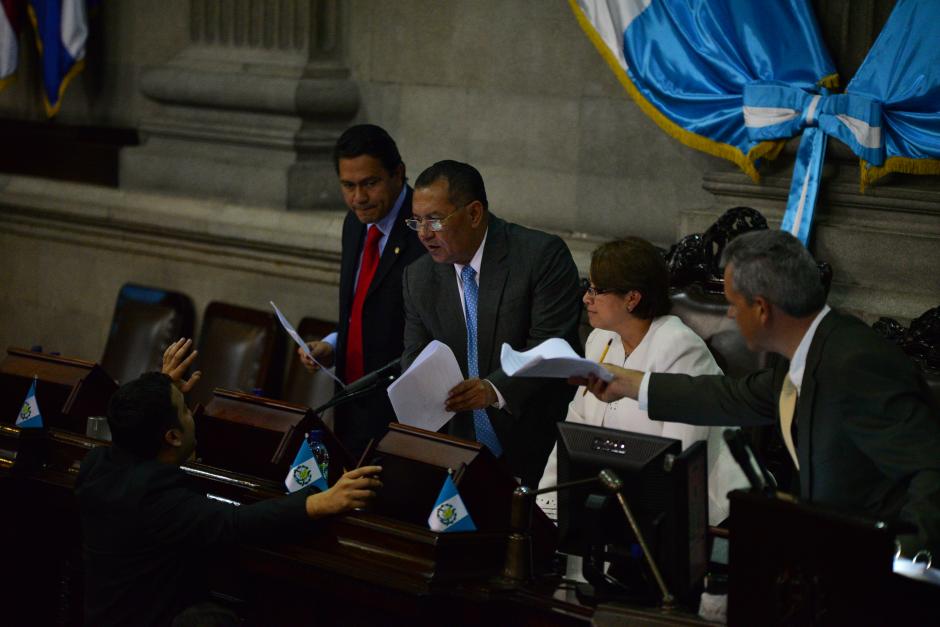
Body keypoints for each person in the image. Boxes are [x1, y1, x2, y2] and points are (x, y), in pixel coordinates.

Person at [579, 230, 940, 556]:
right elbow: (728, 396)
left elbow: (930, 473)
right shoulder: (803, 355)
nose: (732, 316)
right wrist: (631, 384)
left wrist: (903, 566)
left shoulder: (856, 361)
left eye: (736, 305)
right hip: (829, 550)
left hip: (874, 568)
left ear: (762, 309)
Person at [76, 338, 382, 627]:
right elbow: (236, 523)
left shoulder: (96, 466)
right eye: (183, 410)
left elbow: (133, 418)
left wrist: (162, 389)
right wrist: (320, 502)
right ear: (172, 436)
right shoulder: (155, 497)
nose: (190, 412)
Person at [537, 238, 746, 525]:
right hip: (622, 495)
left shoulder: (679, 347)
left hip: (701, 512)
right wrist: (544, 502)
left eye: (596, 290)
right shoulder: (601, 339)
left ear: (632, 299)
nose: (586, 298)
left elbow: (681, 457)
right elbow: (575, 428)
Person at [401, 160, 582, 487]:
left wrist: (493, 389)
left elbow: (551, 347)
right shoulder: (419, 277)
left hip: (536, 445)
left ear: (473, 213)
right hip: (460, 453)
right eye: (417, 221)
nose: (425, 234)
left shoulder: (539, 256)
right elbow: (415, 355)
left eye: (436, 220)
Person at [297, 124, 425, 459]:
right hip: (351, 403)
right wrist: (332, 344)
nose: (359, 198)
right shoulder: (354, 223)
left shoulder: (424, 230)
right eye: (348, 185)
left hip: (402, 416)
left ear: (398, 173)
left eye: (370, 183)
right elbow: (363, 306)